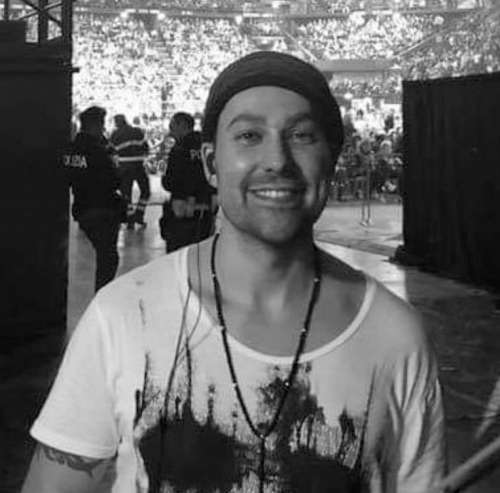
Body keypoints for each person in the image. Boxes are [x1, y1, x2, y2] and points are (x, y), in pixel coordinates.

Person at [22, 52, 446, 493]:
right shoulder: (123, 315)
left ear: (331, 160)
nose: (276, 160)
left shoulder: (394, 335)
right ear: (211, 163)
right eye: (249, 136)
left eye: (302, 135)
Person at [63, 105, 123, 292]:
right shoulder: (98, 151)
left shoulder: (71, 149)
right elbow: (114, 180)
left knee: (105, 255)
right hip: (103, 209)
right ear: (96, 125)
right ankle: (102, 296)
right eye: (102, 124)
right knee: (108, 258)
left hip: (82, 208)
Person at [160, 111, 217, 252]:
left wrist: (164, 180)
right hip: (206, 209)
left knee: (179, 254)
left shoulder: (180, 148)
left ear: (182, 125)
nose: (170, 130)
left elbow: (171, 181)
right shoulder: (207, 147)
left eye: (172, 126)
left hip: (182, 211)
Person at [110, 114, 151, 229]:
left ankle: (130, 218)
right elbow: (146, 148)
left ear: (116, 123)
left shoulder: (115, 134)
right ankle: (139, 215)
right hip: (138, 165)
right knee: (146, 191)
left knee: (126, 194)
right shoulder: (138, 131)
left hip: (124, 166)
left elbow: (111, 151)